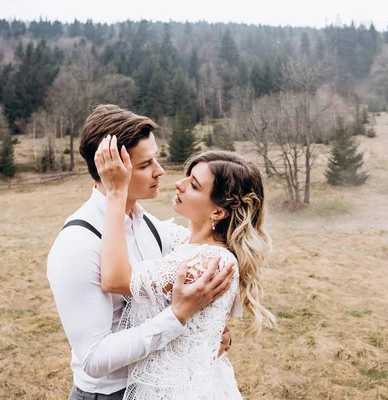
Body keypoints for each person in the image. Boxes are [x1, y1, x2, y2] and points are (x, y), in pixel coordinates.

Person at [47, 105, 234, 400]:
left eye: (155, 158)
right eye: (146, 164)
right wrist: (178, 317)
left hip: (158, 387)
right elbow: (93, 360)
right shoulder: (77, 243)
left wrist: (204, 336)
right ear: (112, 170)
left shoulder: (148, 225)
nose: (160, 171)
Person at [94, 135, 276, 399]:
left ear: (218, 212)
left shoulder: (208, 262)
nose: (178, 184)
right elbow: (142, 221)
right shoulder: (187, 242)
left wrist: (116, 193)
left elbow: (115, 280)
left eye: (193, 185)